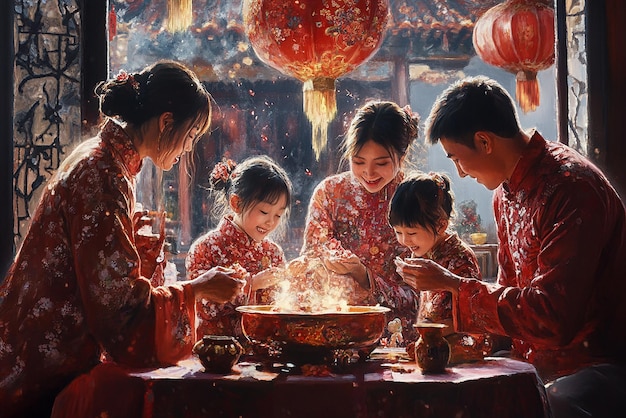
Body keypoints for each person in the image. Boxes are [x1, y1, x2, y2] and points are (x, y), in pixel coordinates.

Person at [0, 60, 245, 418]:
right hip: (42, 370)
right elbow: (120, 315)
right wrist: (197, 289)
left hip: (29, 349)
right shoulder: (103, 174)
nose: (187, 150)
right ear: (165, 122)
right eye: (190, 136)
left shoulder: (106, 161)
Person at [394, 76, 626, 417]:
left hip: (591, 366)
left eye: (457, 158)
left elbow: (552, 318)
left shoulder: (570, 188)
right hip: (531, 363)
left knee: (548, 404)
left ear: (484, 141)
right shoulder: (504, 195)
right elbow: (508, 294)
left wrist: (454, 285)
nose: (458, 173)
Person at [301, 100, 420, 340]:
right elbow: (307, 269)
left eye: (382, 163)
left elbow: (425, 293)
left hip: (397, 335)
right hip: (333, 326)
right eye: (358, 162)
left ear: (403, 154)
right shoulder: (331, 193)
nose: (369, 173)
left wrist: (364, 276)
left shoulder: (417, 199)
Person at [389, 171, 501, 362]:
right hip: (433, 341)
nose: (404, 240)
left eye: (412, 232)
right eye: (398, 232)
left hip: (458, 348)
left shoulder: (459, 259)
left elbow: (465, 320)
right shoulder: (428, 252)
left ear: (441, 225)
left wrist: (425, 340)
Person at [186, 155, 292, 345]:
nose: (271, 222)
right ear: (236, 203)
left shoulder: (273, 252)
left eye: (278, 215)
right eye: (264, 212)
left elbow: (281, 305)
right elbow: (204, 307)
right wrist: (250, 285)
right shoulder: (206, 248)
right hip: (218, 353)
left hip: (266, 351)